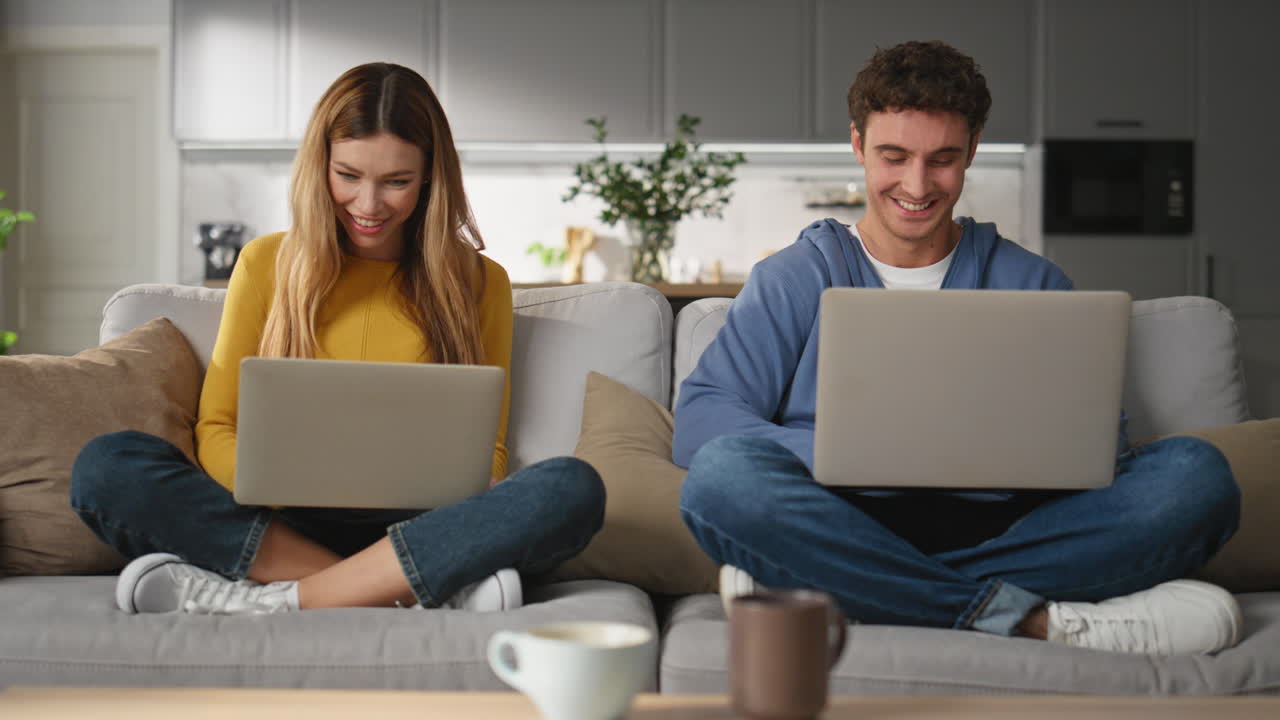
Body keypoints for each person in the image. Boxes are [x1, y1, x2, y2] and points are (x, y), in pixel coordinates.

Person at [673, 41, 1242, 656]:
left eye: (942, 159)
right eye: (894, 156)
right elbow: (702, 424)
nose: (917, 185)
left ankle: (849, 589)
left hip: (1009, 531)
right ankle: (1029, 620)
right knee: (721, 481)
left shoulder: (1035, 283)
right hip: (836, 519)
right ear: (859, 146)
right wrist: (850, 455)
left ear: (972, 150)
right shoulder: (797, 275)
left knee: (1195, 479)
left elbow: (1100, 447)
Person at [70, 63, 605, 615]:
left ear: (429, 178)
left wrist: (471, 494)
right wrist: (280, 483)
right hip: (283, 522)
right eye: (348, 175)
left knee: (572, 488)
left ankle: (281, 598)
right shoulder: (265, 264)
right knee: (108, 467)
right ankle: (398, 589)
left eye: (396, 181)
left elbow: (486, 450)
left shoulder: (478, 282)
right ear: (318, 165)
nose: (369, 206)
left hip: (422, 525)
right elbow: (218, 427)